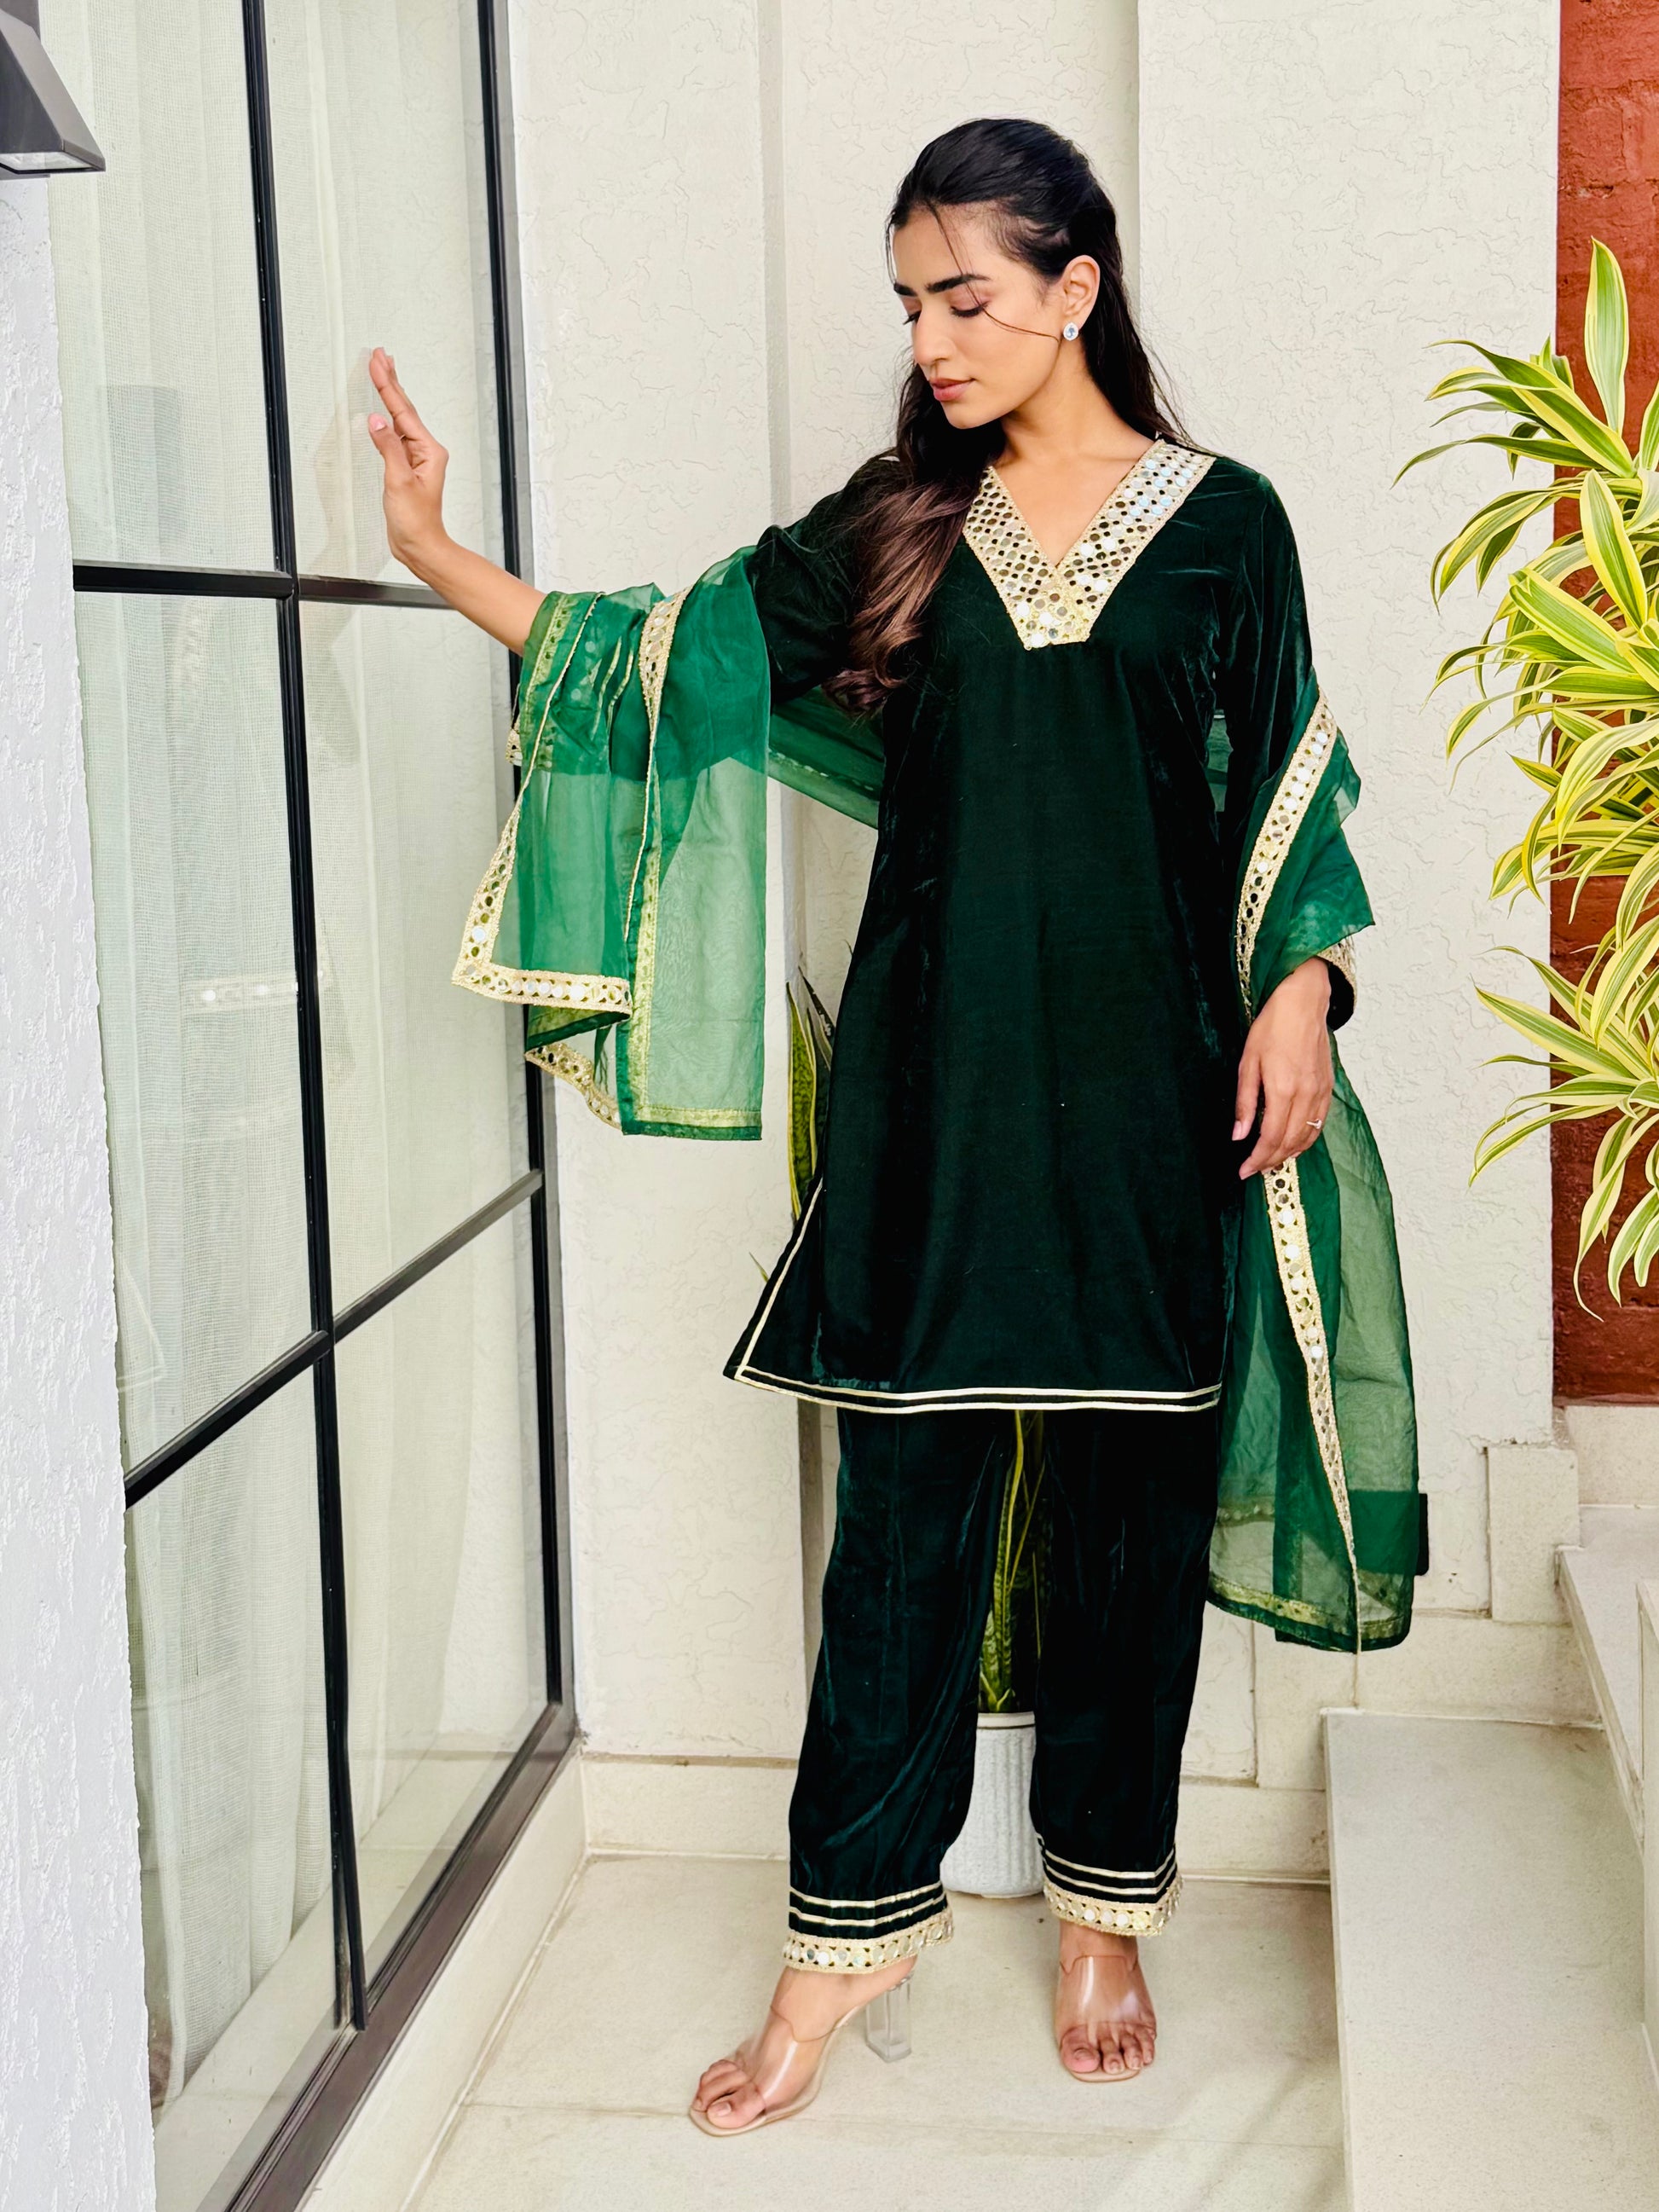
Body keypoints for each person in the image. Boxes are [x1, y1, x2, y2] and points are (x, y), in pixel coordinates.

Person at [366, 117, 1419, 2132]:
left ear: (1075, 289)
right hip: (935, 1104)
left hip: (1153, 1103)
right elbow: (660, 661)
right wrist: (437, 556)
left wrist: (1299, 988)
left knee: (1126, 1525)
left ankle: (1104, 1908)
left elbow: (1284, 779)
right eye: (909, 302)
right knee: (902, 1538)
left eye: (964, 295)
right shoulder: (898, 523)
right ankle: (837, 1946)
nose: (929, 338)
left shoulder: (1229, 523)